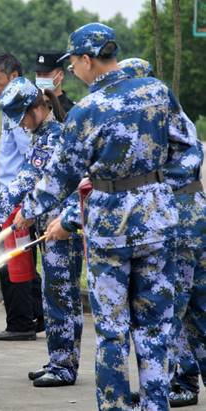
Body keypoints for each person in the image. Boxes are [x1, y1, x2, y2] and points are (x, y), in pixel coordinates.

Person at [14, 23, 196, 410]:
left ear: (87, 60)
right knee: (155, 330)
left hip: (109, 234)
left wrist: (27, 213)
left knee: (112, 333)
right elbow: (190, 152)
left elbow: (60, 176)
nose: (74, 72)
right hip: (156, 227)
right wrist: (160, 187)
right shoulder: (157, 92)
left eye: (74, 64)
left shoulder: (87, 111)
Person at [0, 77, 83, 387]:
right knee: (60, 295)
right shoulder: (43, 135)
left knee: (59, 297)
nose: (20, 125)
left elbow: (25, 181)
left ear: (37, 108)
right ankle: (61, 360)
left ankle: (63, 367)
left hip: (62, 227)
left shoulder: (52, 139)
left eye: (21, 117)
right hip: (52, 224)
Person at [118, 57, 206, 408]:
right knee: (199, 312)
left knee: (167, 310)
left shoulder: (153, 121)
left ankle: (159, 390)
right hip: (193, 212)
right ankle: (173, 383)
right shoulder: (171, 115)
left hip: (179, 219)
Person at [0, 52, 44, 342]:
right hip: (15, 196)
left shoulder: (18, 111)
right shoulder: (14, 107)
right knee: (23, 258)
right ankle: (37, 316)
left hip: (17, 198)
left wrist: (19, 202)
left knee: (14, 262)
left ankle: (21, 323)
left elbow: (28, 156)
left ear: (14, 77)